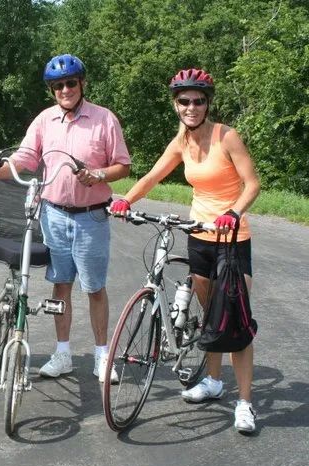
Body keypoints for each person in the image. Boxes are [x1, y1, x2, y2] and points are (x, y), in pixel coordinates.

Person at [109, 68, 261, 433]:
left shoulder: (227, 136)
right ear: (176, 105)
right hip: (198, 235)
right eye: (184, 101)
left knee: (235, 322)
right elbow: (151, 176)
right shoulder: (181, 142)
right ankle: (212, 381)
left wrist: (232, 213)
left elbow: (253, 184)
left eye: (198, 100)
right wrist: (125, 200)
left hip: (230, 238)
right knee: (210, 315)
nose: (191, 107)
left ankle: (245, 403)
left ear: (208, 103)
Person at [0, 54, 131, 383]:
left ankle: (102, 356)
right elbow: (25, 159)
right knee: (61, 285)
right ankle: (63, 354)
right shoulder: (45, 120)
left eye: (70, 83)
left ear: (82, 84)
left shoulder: (104, 119)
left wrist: (98, 174)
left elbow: (122, 165)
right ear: (52, 90)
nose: (65, 89)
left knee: (94, 288)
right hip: (54, 215)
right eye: (58, 85)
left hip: (91, 217)